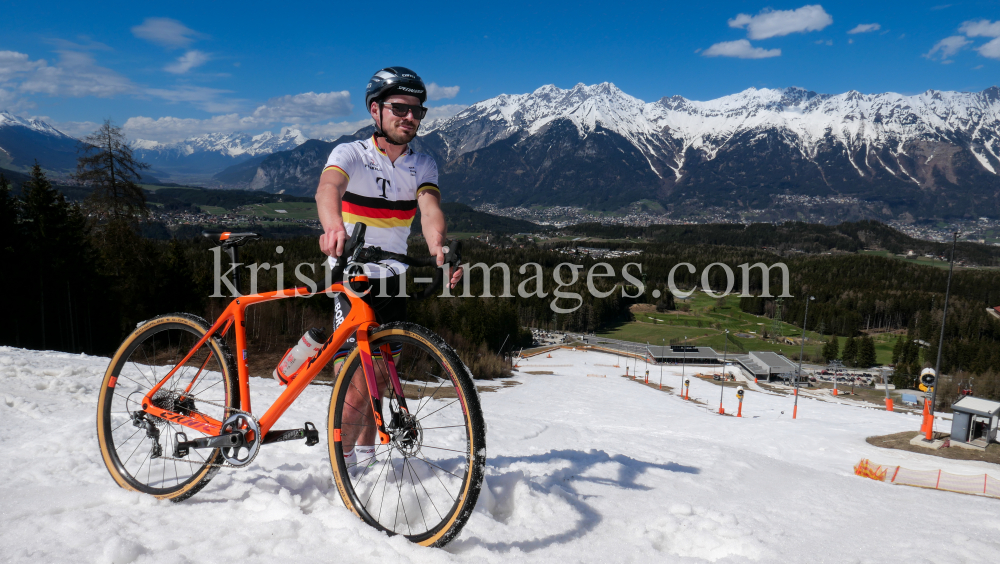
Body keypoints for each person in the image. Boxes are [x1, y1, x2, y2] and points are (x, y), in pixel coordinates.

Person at [315, 66, 463, 473]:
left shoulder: (423, 164)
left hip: (393, 278)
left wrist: (439, 247)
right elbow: (328, 188)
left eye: (418, 111)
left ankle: (366, 458)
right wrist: (333, 228)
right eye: (400, 108)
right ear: (375, 110)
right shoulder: (351, 154)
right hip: (354, 276)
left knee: (380, 376)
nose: (410, 118)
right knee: (358, 381)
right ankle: (343, 467)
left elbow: (430, 209)